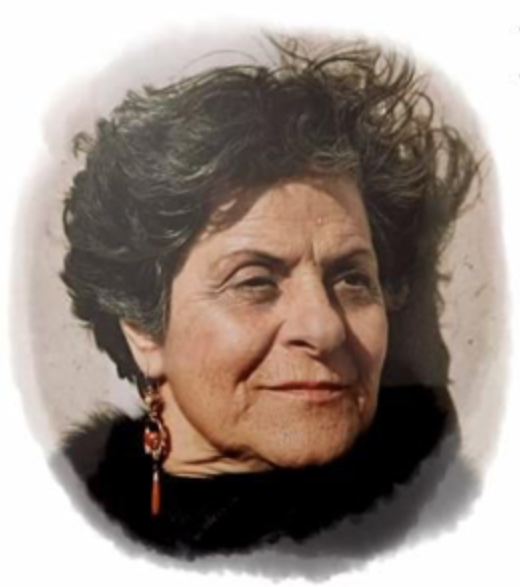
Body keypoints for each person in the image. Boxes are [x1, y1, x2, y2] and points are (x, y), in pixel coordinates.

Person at [58, 35, 478, 558]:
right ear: (143, 329)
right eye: (255, 281)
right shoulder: (55, 533)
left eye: (351, 279)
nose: (324, 328)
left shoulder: (447, 517)